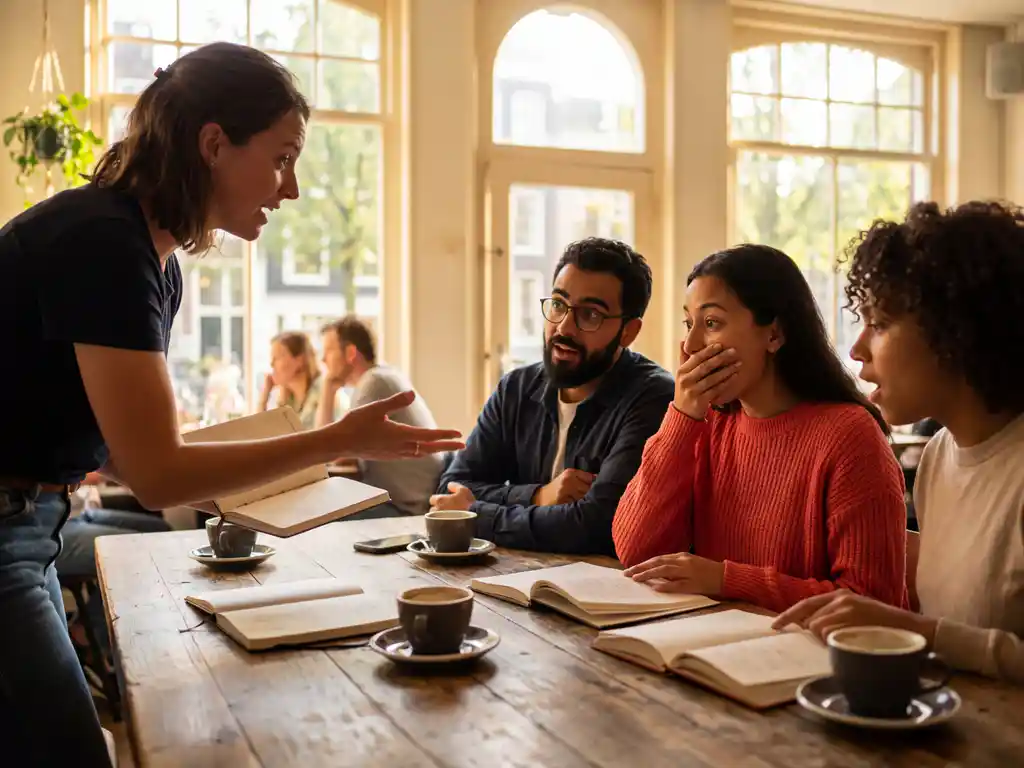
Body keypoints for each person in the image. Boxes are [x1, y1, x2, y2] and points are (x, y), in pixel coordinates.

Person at [0, 42, 461, 766]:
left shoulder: (154, 262)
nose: (291, 189)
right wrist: (332, 441)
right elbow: (156, 475)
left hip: (32, 525)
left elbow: (125, 452)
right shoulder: (104, 244)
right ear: (214, 144)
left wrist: (292, 468)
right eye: (282, 159)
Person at [774, 201, 1024, 685]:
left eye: (881, 323)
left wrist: (919, 632)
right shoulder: (938, 456)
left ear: (956, 333)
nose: (856, 349)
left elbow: (946, 635)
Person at [614, 244, 908, 613]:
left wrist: (726, 580)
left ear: (774, 335)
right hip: (716, 640)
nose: (690, 346)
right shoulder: (708, 423)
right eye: (689, 324)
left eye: (711, 323)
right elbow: (635, 550)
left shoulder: (849, 435)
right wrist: (682, 416)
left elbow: (872, 606)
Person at [432, 238, 675, 555]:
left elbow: (595, 525)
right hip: (515, 576)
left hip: (602, 582)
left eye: (590, 315)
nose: (564, 328)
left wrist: (477, 515)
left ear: (628, 332)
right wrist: (538, 496)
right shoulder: (516, 388)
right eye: (559, 304)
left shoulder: (653, 397)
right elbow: (450, 489)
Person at [318, 315, 443, 517]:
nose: (323, 359)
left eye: (328, 350)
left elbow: (330, 452)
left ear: (350, 353)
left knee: (319, 515)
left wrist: (327, 389)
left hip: (407, 508)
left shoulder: (374, 383)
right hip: (414, 499)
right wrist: (330, 389)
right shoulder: (383, 375)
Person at [259, 330, 327, 429]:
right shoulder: (288, 399)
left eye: (276, 358)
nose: (271, 364)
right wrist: (264, 397)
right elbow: (260, 433)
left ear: (300, 361)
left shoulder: (322, 392)